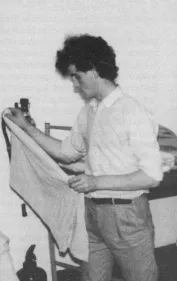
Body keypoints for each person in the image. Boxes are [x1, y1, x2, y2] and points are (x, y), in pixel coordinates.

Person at [5, 34, 162, 281]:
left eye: (76, 76)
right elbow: (66, 153)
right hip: (94, 213)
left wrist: (95, 181)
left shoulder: (132, 111)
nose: (75, 85)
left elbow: (152, 176)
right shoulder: (89, 110)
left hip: (126, 215)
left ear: (94, 70)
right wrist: (26, 128)